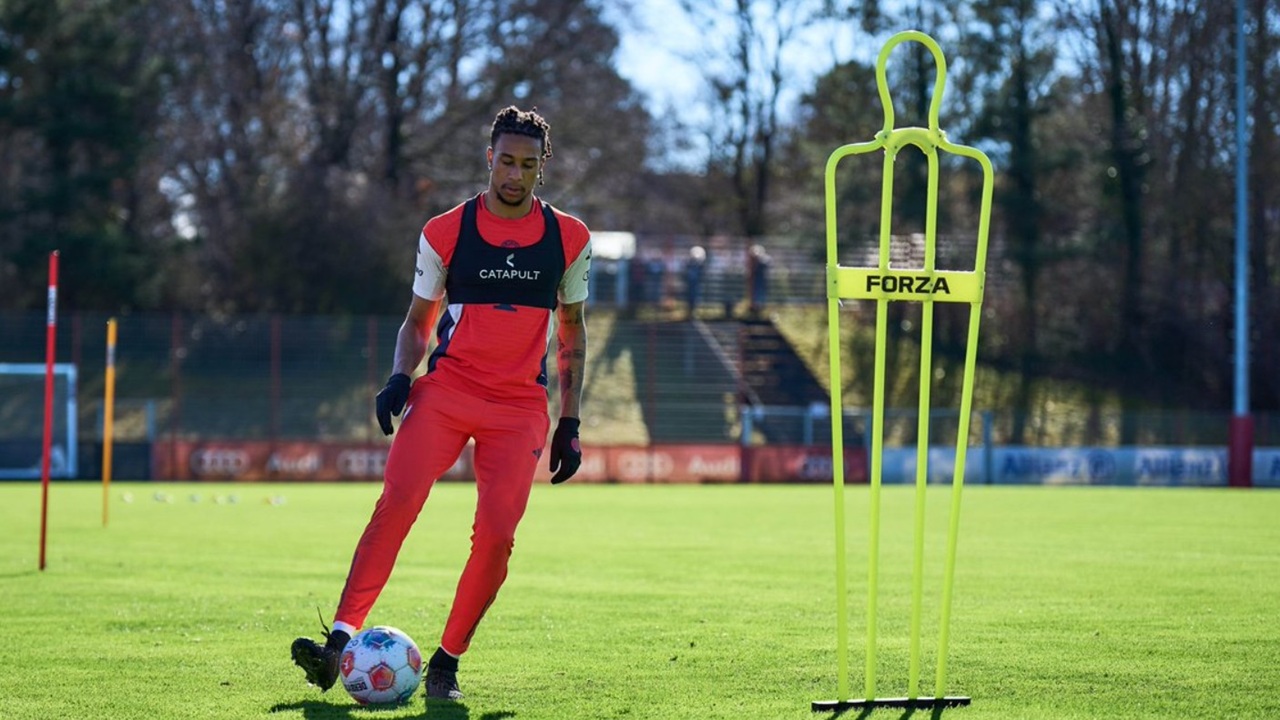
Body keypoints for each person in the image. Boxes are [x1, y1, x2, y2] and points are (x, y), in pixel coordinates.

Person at [291, 106, 591, 702]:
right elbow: (417, 319)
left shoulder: (571, 238)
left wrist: (571, 420)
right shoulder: (444, 231)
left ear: (542, 168)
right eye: (505, 160)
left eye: (528, 165)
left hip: (518, 407)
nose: (515, 173)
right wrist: (400, 377)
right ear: (489, 157)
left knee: (499, 537)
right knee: (398, 502)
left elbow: (574, 331)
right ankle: (338, 643)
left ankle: (447, 664)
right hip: (447, 392)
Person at [684, 245, 706, 317]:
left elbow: (702, 273)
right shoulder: (689, 264)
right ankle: (689, 313)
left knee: (695, 299)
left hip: (696, 285)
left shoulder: (699, 265)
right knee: (689, 299)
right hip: (690, 285)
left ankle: (693, 313)